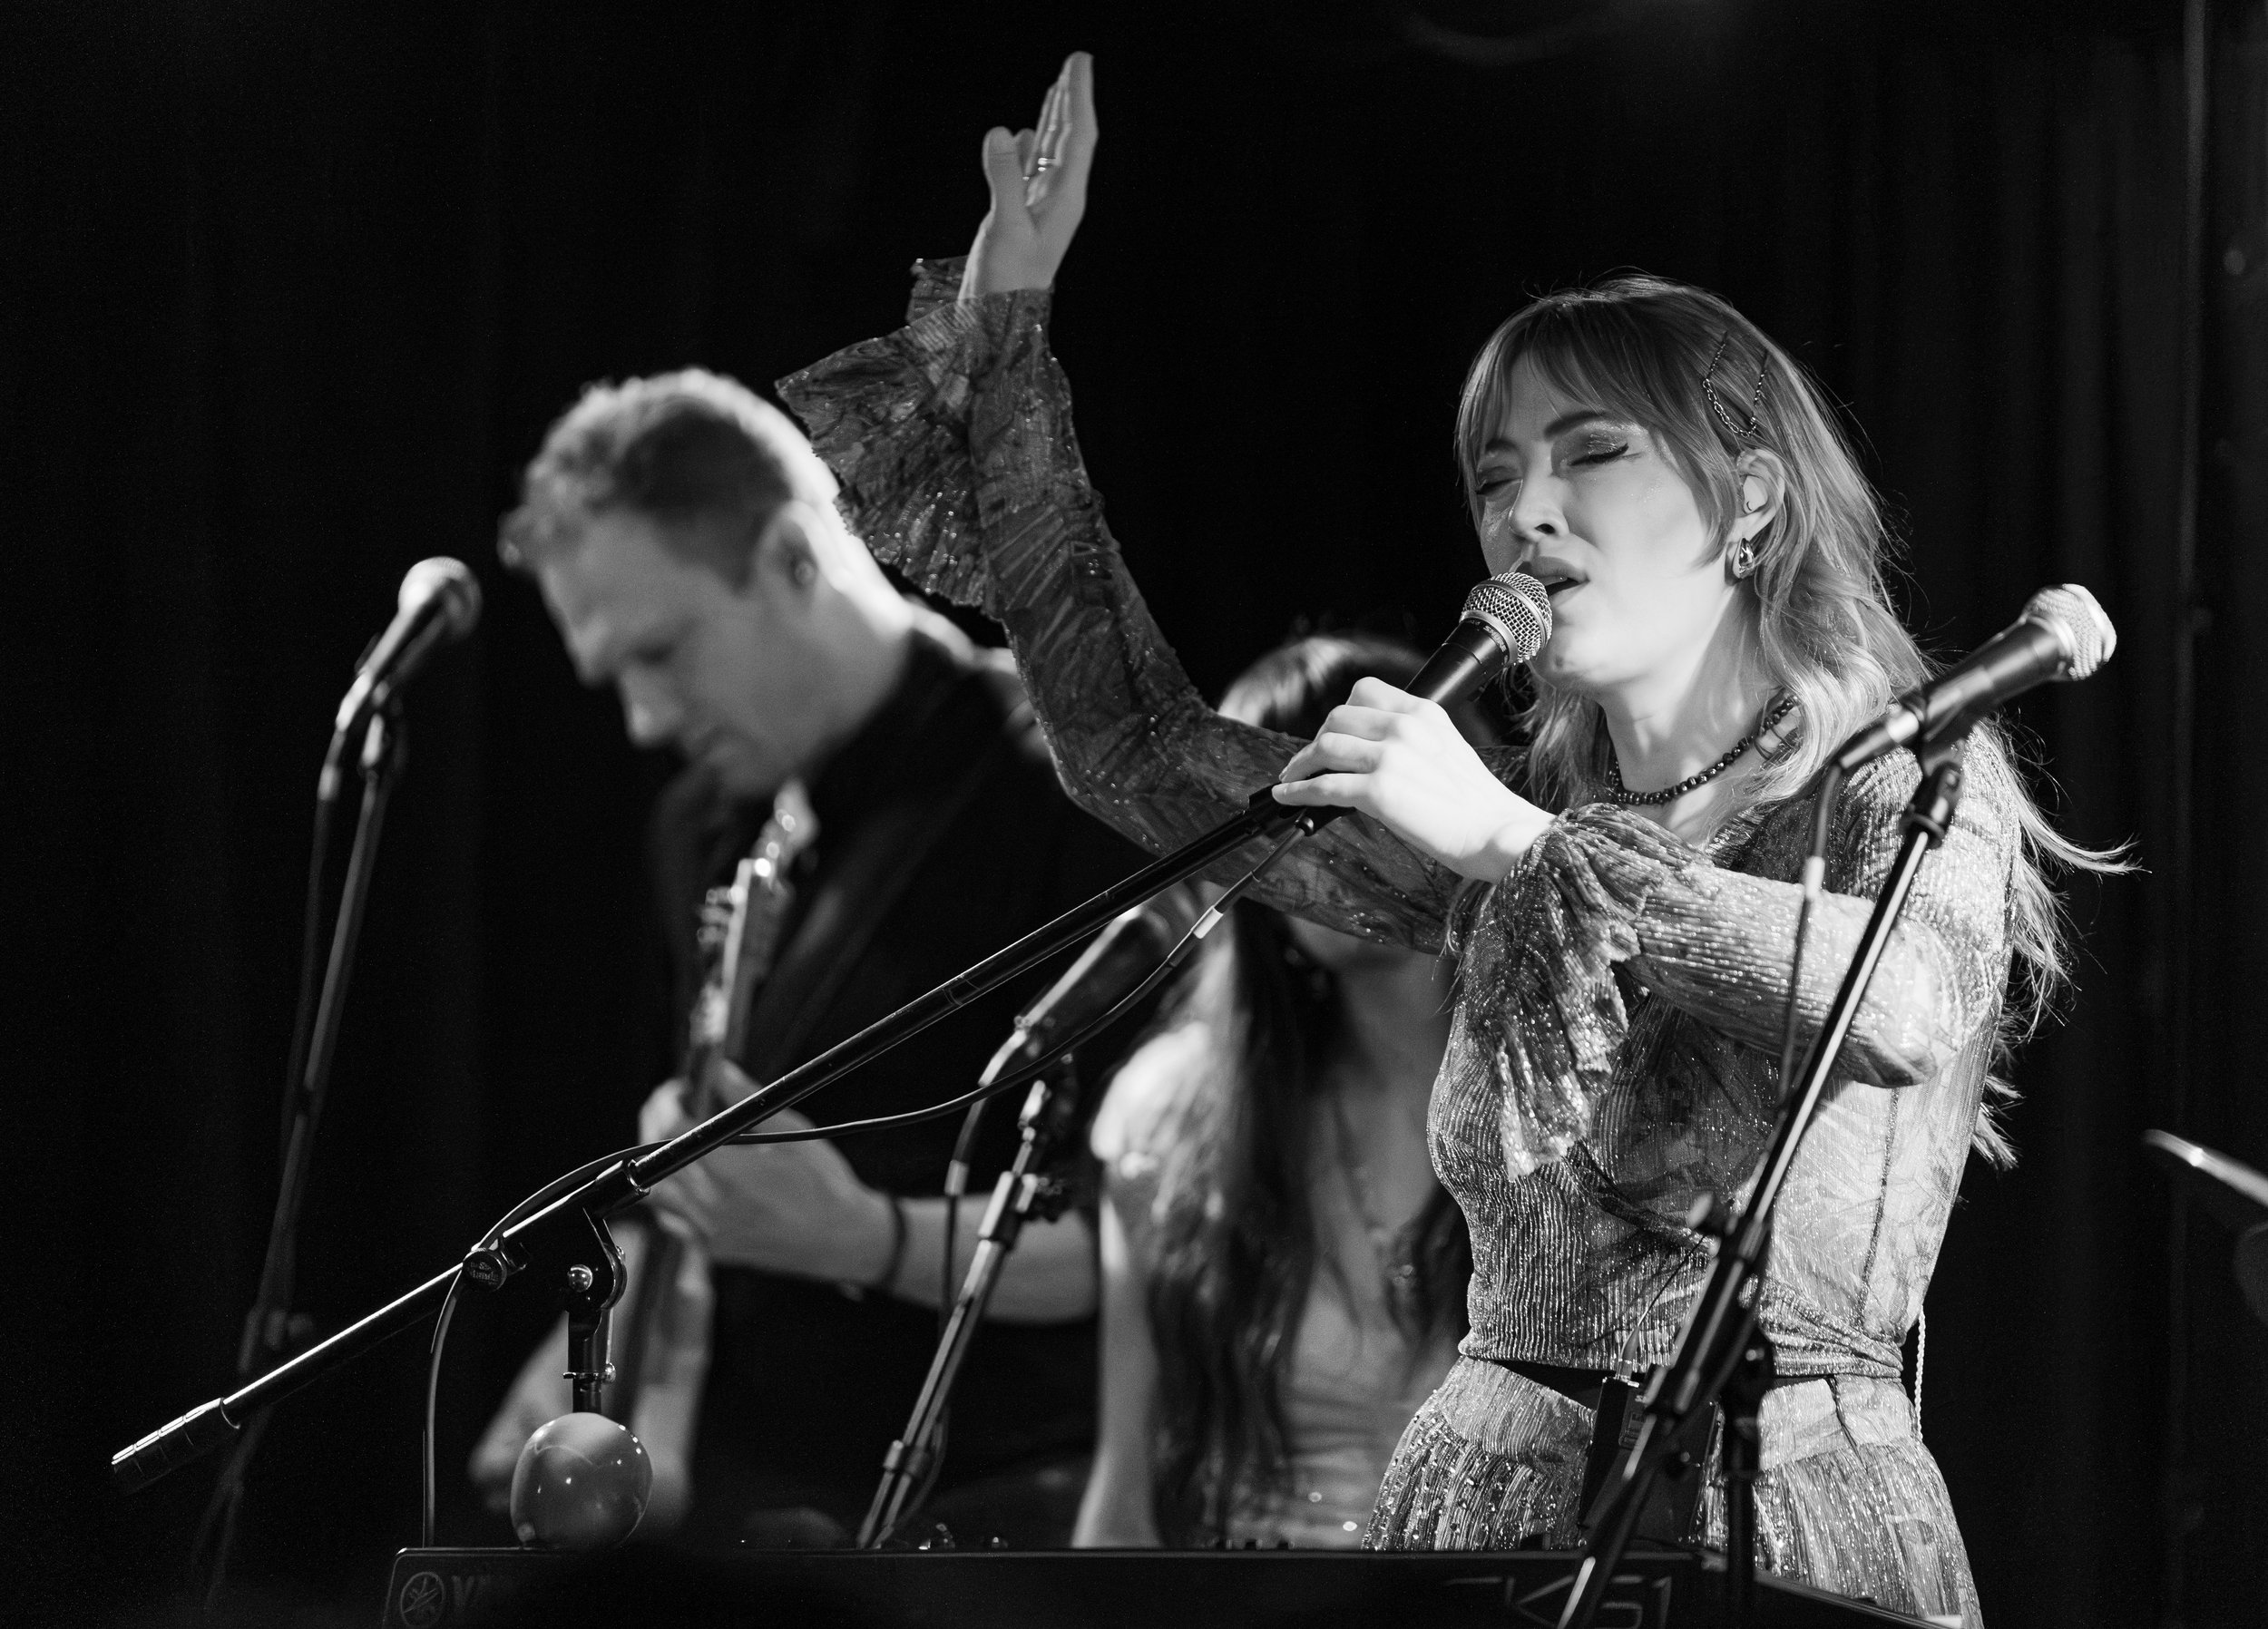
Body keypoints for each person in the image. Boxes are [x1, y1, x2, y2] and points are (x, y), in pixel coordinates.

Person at [778, 53, 2119, 1623]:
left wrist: (1515, 847)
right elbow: (1137, 744)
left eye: (1592, 454)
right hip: (1488, 1515)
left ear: (1750, 498)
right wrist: (1007, 330)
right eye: (1498, 475)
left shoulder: (1910, 768)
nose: (1525, 511)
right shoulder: (1524, 826)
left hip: (1782, 1529)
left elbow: (1902, 1004)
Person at [470, 367, 1144, 1548]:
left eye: (662, 652)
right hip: (755, 1521)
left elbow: (1153, 1241)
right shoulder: (702, 823)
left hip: (992, 1526)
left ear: (791, 556)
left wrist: (862, 1239)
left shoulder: (1068, 787)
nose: (642, 719)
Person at [1075, 634, 1475, 1549]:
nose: (1327, 843)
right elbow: (1122, 1496)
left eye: (1361, 790)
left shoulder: (1575, 1103)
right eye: (1290, 808)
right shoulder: (1171, 1114)